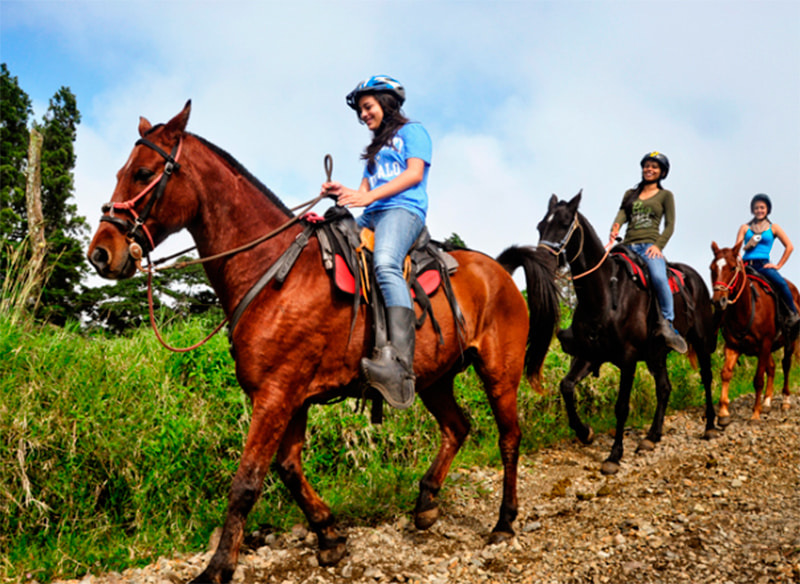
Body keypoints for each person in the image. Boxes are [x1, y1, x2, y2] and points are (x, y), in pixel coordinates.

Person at [321, 75, 432, 410]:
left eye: (368, 107)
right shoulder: (375, 151)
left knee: (384, 263)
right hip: (373, 212)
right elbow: (364, 193)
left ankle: (398, 360)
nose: (364, 115)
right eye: (361, 111)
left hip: (403, 210)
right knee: (332, 241)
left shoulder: (413, 132)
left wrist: (364, 198)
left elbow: (413, 175)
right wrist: (344, 194)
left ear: (386, 102)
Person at [609, 151, 688, 353]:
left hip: (648, 247)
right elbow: (622, 214)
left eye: (654, 167)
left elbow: (670, 226)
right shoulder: (630, 194)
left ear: (662, 172)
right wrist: (615, 227)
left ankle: (667, 324)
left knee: (659, 278)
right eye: (647, 166)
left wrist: (658, 246)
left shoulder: (665, 196)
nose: (649, 169)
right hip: (626, 246)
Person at [735, 193, 799, 329]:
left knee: (781, 284)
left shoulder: (773, 228)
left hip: (763, 265)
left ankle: (792, 313)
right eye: (756, 208)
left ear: (767, 210)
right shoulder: (745, 228)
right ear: (752, 210)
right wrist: (739, 259)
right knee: (729, 285)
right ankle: (718, 322)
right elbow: (737, 248)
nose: (759, 210)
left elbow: (790, 246)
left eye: (762, 208)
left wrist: (778, 265)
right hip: (746, 265)